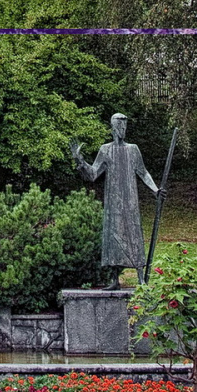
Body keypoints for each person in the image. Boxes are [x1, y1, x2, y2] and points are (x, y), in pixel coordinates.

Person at [72, 113, 163, 289]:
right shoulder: (105, 150)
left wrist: (155, 190)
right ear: (113, 128)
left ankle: (140, 277)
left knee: (133, 233)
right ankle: (114, 279)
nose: (122, 129)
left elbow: (143, 172)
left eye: (125, 126)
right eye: (119, 126)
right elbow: (92, 175)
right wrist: (80, 160)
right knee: (113, 236)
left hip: (130, 199)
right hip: (113, 200)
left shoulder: (133, 149)